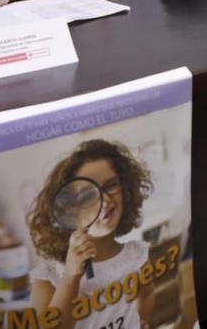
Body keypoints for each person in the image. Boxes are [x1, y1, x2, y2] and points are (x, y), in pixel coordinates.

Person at [28, 139, 155, 329]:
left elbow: (146, 294)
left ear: (126, 190)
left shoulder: (137, 256)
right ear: (68, 210)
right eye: (88, 195)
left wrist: (142, 320)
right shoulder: (49, 277)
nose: (105, 200)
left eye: (111, 185)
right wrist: (71, 276)